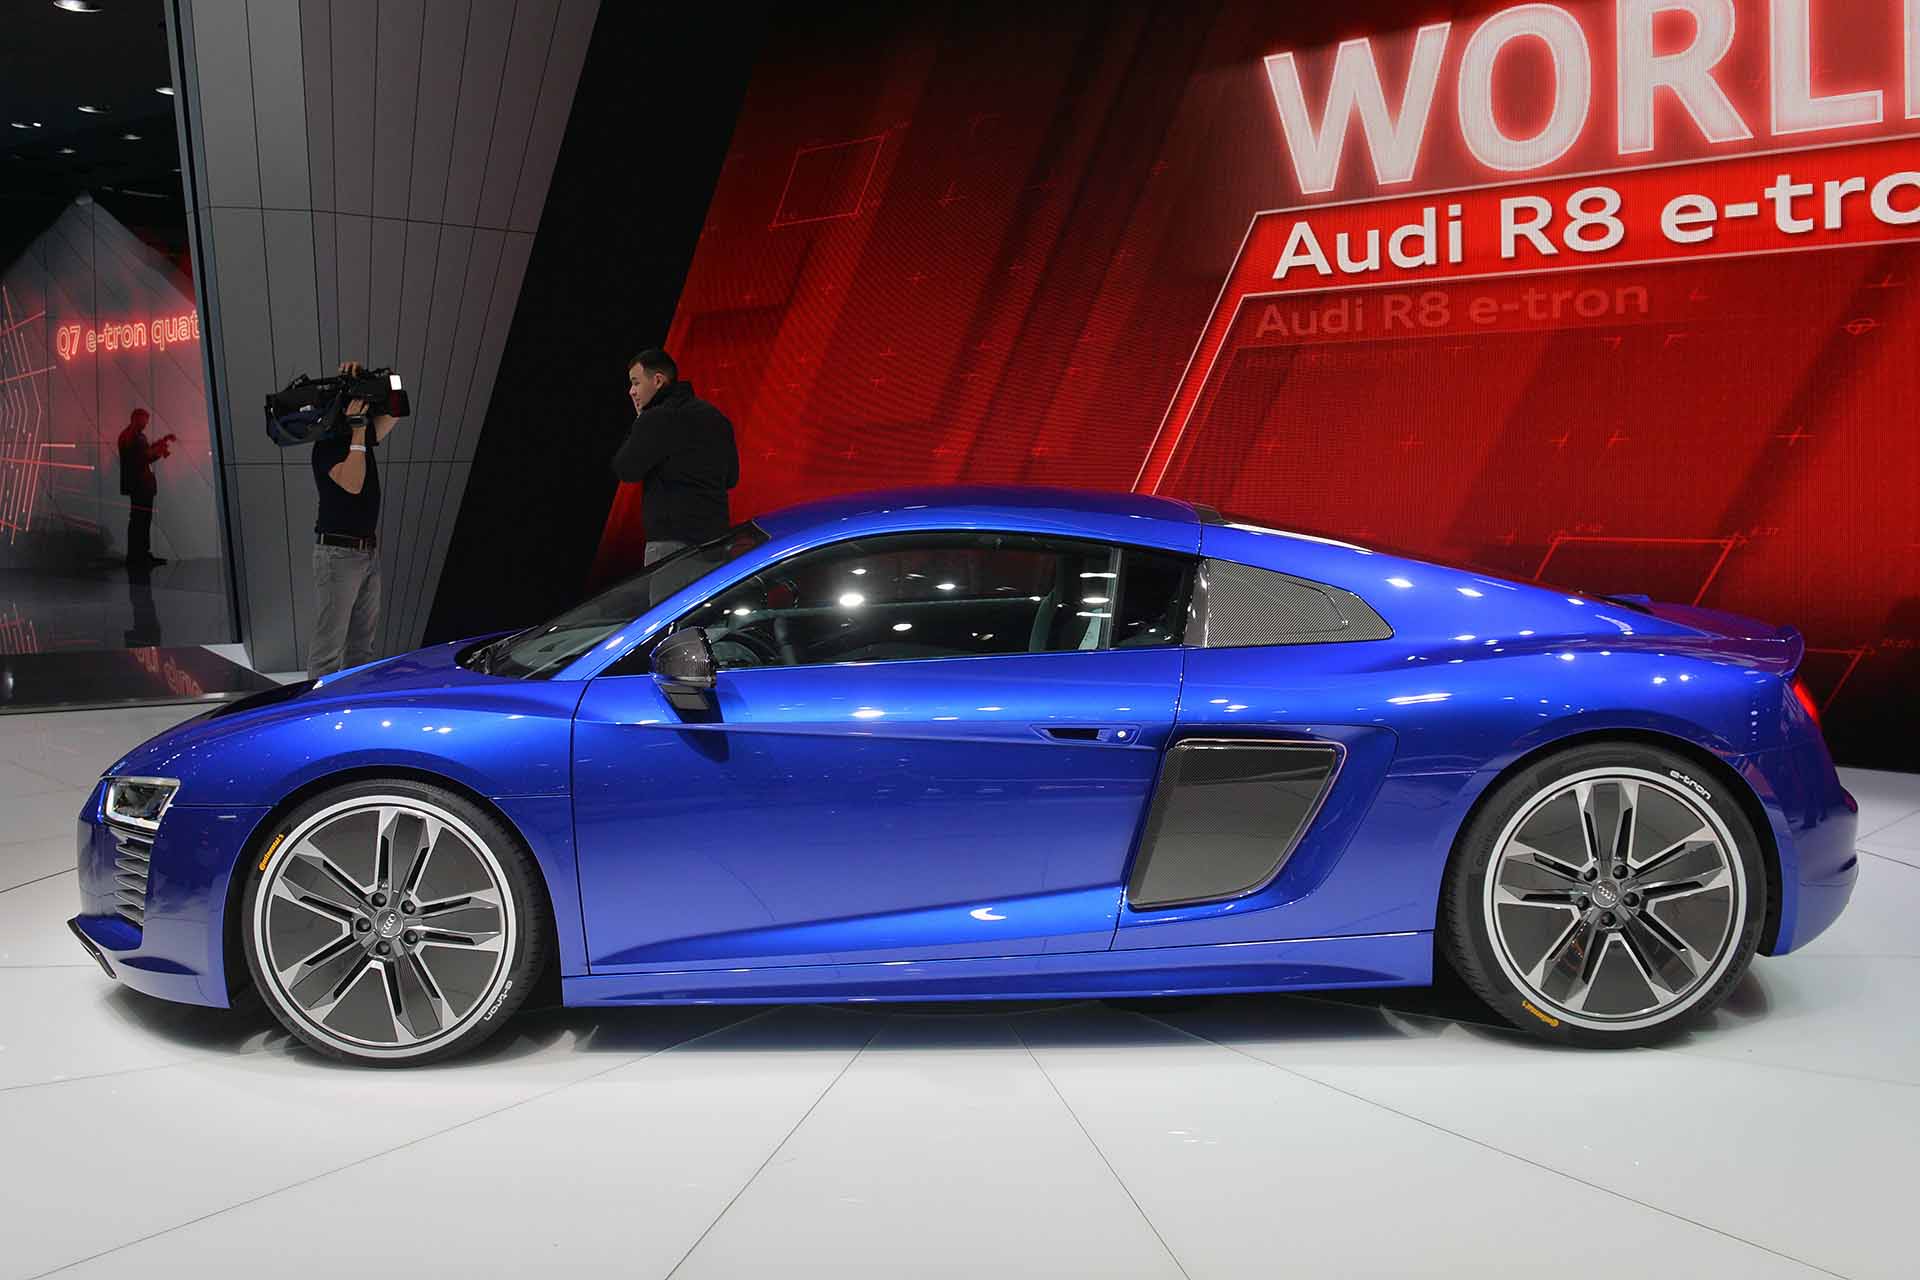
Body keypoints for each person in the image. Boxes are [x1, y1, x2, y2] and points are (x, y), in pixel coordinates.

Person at [309, 360, 400, 676]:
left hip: (367, 552)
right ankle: (318, 704)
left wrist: (388, 378)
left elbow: (398, 409)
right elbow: (353, 483)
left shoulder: (361, 436)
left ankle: (354, 700)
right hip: (338, 555)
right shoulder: (326, 445)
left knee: (363, 646)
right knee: (328, 649)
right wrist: (359, 430)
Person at [613, 348, 739, 565]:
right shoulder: (716, 417)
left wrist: (640, 421)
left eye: (636, 383)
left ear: (658, 380)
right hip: (717, 544)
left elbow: (625, 469)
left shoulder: (655, 418)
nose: (631, 392)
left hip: (671, 548)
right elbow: (731, 478)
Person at [116, 409, 174, 567]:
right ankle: (139, 556)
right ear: (136, 419)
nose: (145, 425)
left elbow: (144, 453)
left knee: (140, 520)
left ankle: (139, 556)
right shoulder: (132, 437)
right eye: (144, 421)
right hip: (140, 485)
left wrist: (160, 444)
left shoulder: (130, 436)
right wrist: (160, 450)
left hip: (139, 485)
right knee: (141, 521)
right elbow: (144, 457)